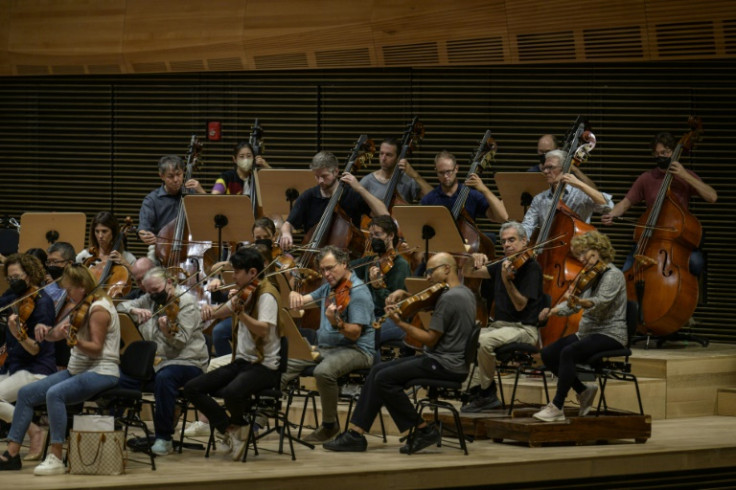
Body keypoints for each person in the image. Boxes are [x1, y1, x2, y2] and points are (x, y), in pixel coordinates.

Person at [324, 253, 475, 453]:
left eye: (431, 272)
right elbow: (427, 302)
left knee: (384, 378)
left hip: (443, 364)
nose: (428, 277)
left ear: (447, 269)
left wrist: (399, 323)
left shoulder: (448, 299)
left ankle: (421, 429)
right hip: (448, 361)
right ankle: (355, 433)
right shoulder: (464, 293)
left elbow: (430, 339)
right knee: (378, 370)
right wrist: (405, 295)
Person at [0, 264, 120, 475]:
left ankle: (56, 456)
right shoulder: (80, 304)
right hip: (77, 370)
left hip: (102, 371)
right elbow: (58, 334)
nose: (67, 293)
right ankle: (11, 454)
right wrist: (45, 332)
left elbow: (95, 349)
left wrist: (73, 342)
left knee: (55, 394)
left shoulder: (99, 309)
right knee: (26, 393)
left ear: (82, 286)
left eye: (70, 289)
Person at [183, 247, 282, 460]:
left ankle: (241, 426)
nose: (233, 276)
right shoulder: (245, 291)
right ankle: (230, 429)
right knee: (193, 388)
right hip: (242, 362)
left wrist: (242, 315)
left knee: (231, 392)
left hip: (264, 366)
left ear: (252, 272)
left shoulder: (267, 295)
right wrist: (210, 313)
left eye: (237, 272)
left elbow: (264, 329)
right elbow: (226, 310)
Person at [281, 246, 375, 444]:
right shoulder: (328, 288)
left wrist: (336, 323)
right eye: (323, 270)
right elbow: (301, 303)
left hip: (356, 350)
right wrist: (292, 297)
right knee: (282, 362)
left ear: (344, 264)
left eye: (331, 268)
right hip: (326, 349)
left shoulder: (358, 292)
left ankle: (329, 425)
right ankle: (262, 415)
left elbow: (355, 333)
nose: (326, 274)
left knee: (323, 372)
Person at [532, 231, 626, 422]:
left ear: (598, 249)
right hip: (588, 332)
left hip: (611, 333)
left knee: (568, 352)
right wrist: (551, 311)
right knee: (548, 354)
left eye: (585, 253)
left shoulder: (613, 275)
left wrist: (577, 301)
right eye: (579, 256)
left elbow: (599, 302)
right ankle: (583, 390)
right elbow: (573, 305)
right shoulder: (592, 275)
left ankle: (557, 406)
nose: (582, 259)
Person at [116, 267, 208, 455]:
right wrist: (135, 309)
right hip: (157, 362)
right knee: (118, 376)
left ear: (169, 283)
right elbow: (118, 307)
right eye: (149, 292)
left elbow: (181, 341)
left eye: (156, 291)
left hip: (188, 362)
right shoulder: (150, 299)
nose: (152, 296)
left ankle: (163, 438)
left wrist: (167, 332)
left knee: (165, 378)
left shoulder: (187, 303)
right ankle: (110, 429)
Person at [601, 131, 717, 274]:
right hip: (650, 239)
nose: (661, 156)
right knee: (627, 270)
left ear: (674, 152)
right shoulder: (647, 178)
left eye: (666, 152)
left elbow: (712, 197)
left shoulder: (684, 175)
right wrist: (612, 214)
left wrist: (684, 175)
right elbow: (625, 203)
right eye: (658, 153)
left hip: (678, 240)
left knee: (696, 262)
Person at [460, 221, 545, 412]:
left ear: (524, 241)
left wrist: (507, 281)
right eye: (504, 241)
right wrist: (472, 258)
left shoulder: (532, 268)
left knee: (482, 341)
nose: (506, 244)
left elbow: (520, 304)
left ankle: (488, 393)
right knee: (467, 337)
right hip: (500, 326)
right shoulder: (502, 264)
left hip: (524, 328)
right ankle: (475, 389)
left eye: (511, 240)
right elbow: (467, 272)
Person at [0, 254, 56, 462]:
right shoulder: (14, 295)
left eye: (17, 277)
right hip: (14, 366)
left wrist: (18, 333)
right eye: (9, 278)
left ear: (30, 275)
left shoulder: (43, 303)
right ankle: (31, 429)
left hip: (37, 369)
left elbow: (34, 350)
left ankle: (34, 431)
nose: (13, 281)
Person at [278, 151, 390, 252]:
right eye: (317, 176)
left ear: (336, 172)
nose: (320, 181)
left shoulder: (351, 194)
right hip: (313, 258)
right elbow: (288, 224)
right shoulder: (309, 196)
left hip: (346, 260)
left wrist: (360, 189)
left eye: (324, 176)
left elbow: (384, 215)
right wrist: (286, 233)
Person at [521, 149, 613, 239]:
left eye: (551, 167)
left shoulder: (580, 195)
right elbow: (528, 226)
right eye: (545, 168)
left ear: (565, 168)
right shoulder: (539, 199)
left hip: (578, 249)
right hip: (547, 250)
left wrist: (579, 183)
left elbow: (608, 207)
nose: (545, 172)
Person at [350, 215, 411, 348]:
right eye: (371, 236)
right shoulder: (371, 260)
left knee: (365, 335)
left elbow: (395, 306)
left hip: (392, 319)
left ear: (390, 236)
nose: (373, 239)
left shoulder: (400, 265)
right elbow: (347, 268)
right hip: (370, 315)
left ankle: (370, 366)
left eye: (378, 234)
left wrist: (378, 288)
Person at [420, 150, 508, 223]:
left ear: (456, 169)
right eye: (441, 173)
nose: (446, 176)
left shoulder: (471, 195)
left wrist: (484, 189)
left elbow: (502, 218)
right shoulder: (429, 200)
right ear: (436, 171)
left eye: (448, 171)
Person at [137, 155, 187, 258]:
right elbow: (143, 228)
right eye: (171, 176)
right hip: (160, 247)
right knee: (142, 267)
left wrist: (200, 192)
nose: (176, 179)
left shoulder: (191, 194)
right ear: (162, 176)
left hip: (189, 247)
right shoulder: (152, 200)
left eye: (179, 174)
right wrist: (145, 235)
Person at [76, 211, 136, 297]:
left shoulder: (127, 257)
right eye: (97, 231)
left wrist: (125, 263)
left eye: (104, 231)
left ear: (113, 233)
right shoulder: (84, 256)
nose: (100, 236)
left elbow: (141, 282)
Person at [359, 138, 432, 203]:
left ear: (398, 158)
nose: (383, 158)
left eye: (388, 155)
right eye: (381, 154)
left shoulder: (407, 179)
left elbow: (434, 198)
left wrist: (415, 175)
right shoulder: (368, 181)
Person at [527, 134, 598, 189]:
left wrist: (575, 170)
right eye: (541, 151)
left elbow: (593, 190)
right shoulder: (531, 172)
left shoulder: (566, 170)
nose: (544, 155)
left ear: (557, 150)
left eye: (548, 151)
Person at [44, 242, 76, 311]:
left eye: (55, 261)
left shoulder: (77, 287)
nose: (51, 265)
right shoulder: (48, 284)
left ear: (69, 263)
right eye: (48, 262)